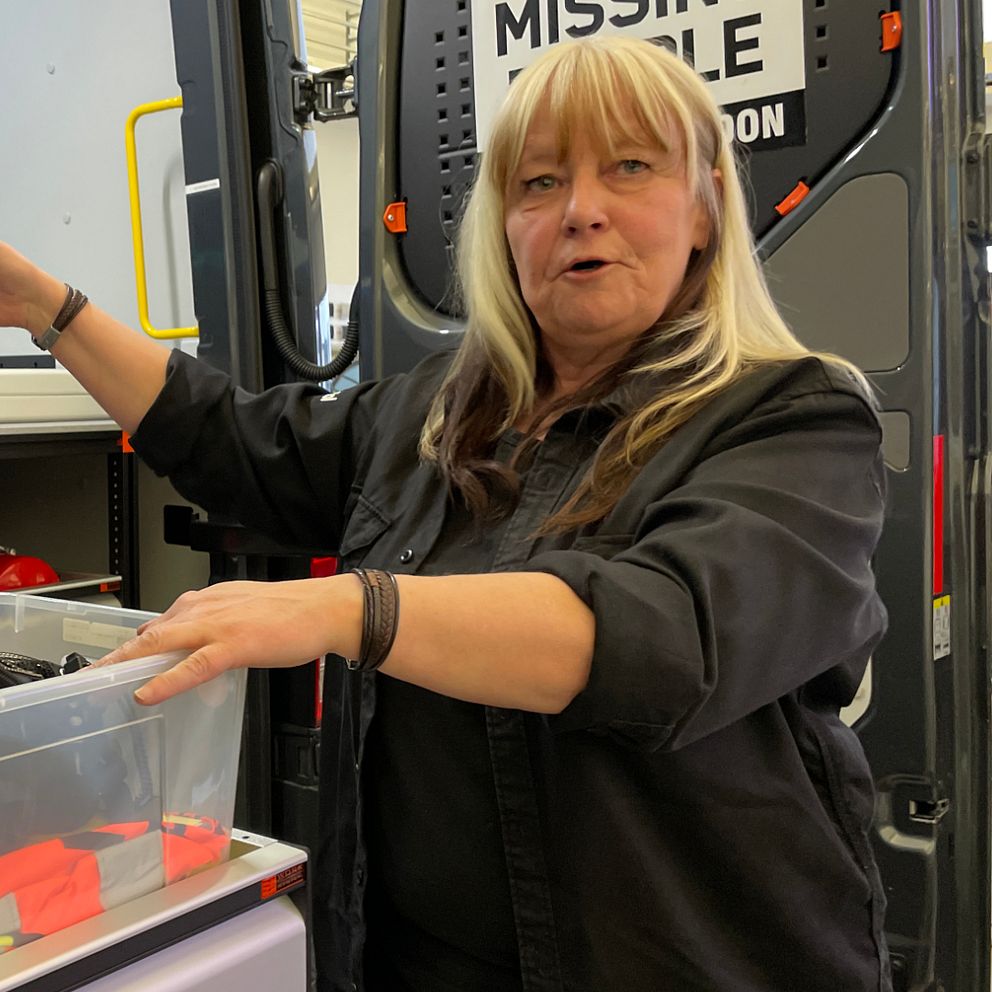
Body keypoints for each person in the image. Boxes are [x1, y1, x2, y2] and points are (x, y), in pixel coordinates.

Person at [0, 35, 891, 992]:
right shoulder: (435, 416)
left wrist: (352, 608)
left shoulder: (793, 418)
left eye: (631, 166)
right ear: (505, 226)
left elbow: (668, 635)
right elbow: (232, 439)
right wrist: (47, 306)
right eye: (540, 182)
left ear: (707, 204)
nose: (581, 210)